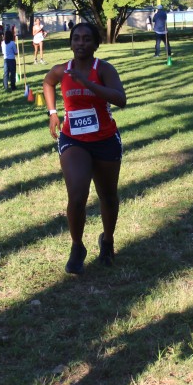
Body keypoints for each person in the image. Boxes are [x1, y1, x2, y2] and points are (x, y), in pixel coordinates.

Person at [42, 22, 127, 274]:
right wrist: (53, 112)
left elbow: (120, 99)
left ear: (95, 44)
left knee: (107, 196)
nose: (81, 43)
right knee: (77, 196)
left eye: (87, 39)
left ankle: (107, 241)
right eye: (76, 38)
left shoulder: (104, 69)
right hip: (74, 139)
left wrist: (89, 84)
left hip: (105, 138)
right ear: (71, 43)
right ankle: (77, 246)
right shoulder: (62, 70)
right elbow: (48, 83)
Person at [1, 27, 18, 91]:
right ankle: (13, 86)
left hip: (5, 59)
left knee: (6, 73)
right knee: (12, 73)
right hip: (12, 59)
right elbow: (15, 52)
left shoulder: (3, 43)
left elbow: (3, 52)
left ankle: (5, 86)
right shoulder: (12, 43)